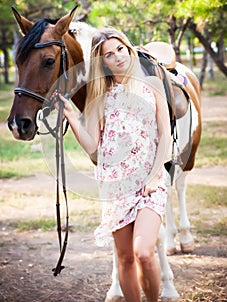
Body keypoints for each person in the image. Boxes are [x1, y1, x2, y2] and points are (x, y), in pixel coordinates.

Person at [56, 28, 171, 302]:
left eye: (121, 49)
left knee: (144, 252)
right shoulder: (100, 97)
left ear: (129, 50)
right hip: (116, 184)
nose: (118, 57)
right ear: (102, 62)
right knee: (125, 258)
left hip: (149, 181)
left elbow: (165, 134)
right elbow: (93, 147)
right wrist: (73, 117)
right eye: (109, 54)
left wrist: (154, 176)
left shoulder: (152, 85)